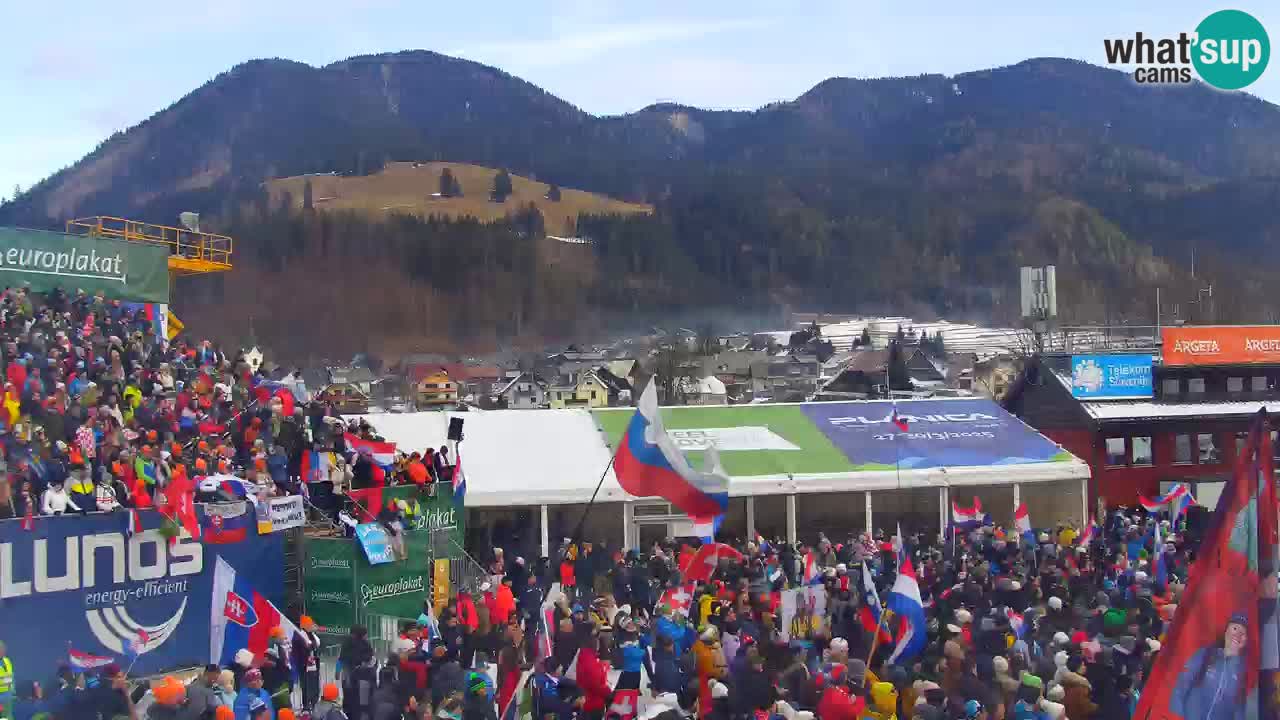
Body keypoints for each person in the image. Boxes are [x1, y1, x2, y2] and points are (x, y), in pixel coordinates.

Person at [1171, 614, 1252, 720]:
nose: (1238, 634)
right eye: (1235, 628)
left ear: (1246, 641)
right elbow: (1181, 686)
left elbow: (1239, 709)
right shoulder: (1205, 654)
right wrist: (1177, 716)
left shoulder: (1243, 672)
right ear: (1225, 631)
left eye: (1243, 633)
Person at [0, 641, 13, 719]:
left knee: (7, 717)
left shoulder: (7, 661)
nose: (3, 650)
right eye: (1, 649)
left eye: (4, 648)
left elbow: (10, 676)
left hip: (7, 696)